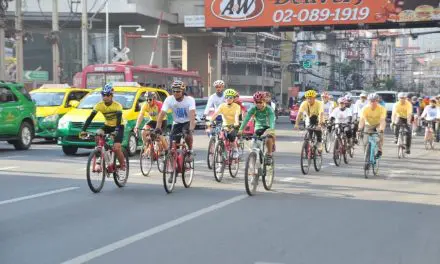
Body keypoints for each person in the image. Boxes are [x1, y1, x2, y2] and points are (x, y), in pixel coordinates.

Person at [79, 83, 126, 170]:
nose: (105, 97)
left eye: (107, 95)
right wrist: (83, 130)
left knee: (116, 147)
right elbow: (90, 118)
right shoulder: (99, 105)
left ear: (111, 96)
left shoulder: (117, 105)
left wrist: (115, 131)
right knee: (97, 134)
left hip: (118, 126)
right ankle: (99, 157)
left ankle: (123, 164)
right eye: (103, 95)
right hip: (107, 125)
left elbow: (119, 120)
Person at [155, 81, 196, 161]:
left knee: (187, 135)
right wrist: (158, 127)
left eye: (178, 91)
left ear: (183, 91)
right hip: (176, 123)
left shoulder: (190, 100)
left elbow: (192, 116)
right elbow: (162, 114)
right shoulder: (169, 99)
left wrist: (191, 129)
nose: (175, 93)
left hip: (187, 122)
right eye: (174, 91)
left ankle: (190, 150)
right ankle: (174, 164)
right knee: (173, 146)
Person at [238, 91, 276, 164]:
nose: (258, 104)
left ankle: (269, 154)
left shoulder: (269, 109)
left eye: (260, 102)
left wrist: (271, 130)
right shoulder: (253, 109)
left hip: (268, 126)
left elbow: (271, 121)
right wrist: (240, 129)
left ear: (264, 102)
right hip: (258, 127)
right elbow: (246, 119)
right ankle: (253, 166)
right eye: (256, 102)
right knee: (253, 144)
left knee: (269, 138)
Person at [210, 89, 241, 159]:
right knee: (219, 134)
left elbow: (236, 116)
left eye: (230, 97)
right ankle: (222, 149)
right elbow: (215, 114)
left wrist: (236, 123)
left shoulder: (237, 106)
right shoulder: (222, 105)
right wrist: (211, 121)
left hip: (234, 125)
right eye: (227, 97)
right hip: (225, 125)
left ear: (233, 98)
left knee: (230, 136)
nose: (228, 99)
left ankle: (235, 150)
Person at [358, 93, 386, 158]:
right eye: (371, 101)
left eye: (374, 101)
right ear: (368, 101)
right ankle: (367, 157)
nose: (373, 103)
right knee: (365, 141)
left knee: (380, 133)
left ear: (377, 101)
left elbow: (382, 120)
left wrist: (381, 129)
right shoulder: (365, 108)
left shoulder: (382, 108)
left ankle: (379, 150)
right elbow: (362, 120)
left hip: (378, 124)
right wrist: (359, 129)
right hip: (368, 125)